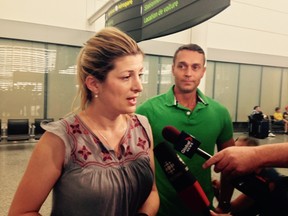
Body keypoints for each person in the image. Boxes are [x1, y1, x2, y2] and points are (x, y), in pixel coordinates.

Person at [8, 27, 159, 216]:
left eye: (140, 75)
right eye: (126, 77)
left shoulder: (142, 127)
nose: (138, 86)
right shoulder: (61, 139)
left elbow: (152, 192)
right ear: (94, 84)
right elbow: (21, 212)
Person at [136, 43, 235, 215]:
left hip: (204, 210)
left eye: (195, 67)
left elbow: (230, 165)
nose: (188, 73)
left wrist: (225, 203)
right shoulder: (147, 111)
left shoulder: (220, 113)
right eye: (182, 66)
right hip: (160, 210)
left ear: (203, 72)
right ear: (173, 69)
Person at [212, 136, 287, 216]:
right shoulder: (248, 175)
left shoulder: (264, 182)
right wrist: (218, 192)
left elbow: (236, 207)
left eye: (239, 154)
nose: (232, 158)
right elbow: (233, 207)